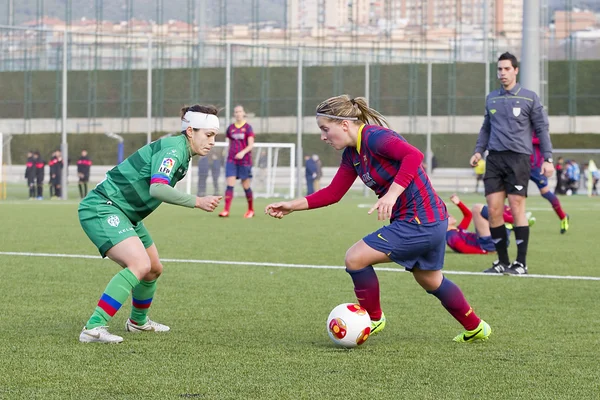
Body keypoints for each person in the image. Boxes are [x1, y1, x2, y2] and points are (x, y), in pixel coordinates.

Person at [266, 95, 491, 343]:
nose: (323, 137)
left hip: (419, 220)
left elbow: (414, 156)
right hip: (428, 220)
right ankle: (476, 327)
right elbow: (333, 193)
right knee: (430, 279)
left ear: (344, 124)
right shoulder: (352, 155)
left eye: (324, 129)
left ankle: (374, 319)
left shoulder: (375, 137)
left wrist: (391, 195)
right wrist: (292, 206)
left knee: (355, 258)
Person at [77, 104, 222, 343]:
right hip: (103, 207)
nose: (213, 141)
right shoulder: (174, 151)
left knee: (153, 268)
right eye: (208, 135)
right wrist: (197, 201)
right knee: (139, 263)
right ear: (190, 131)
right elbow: (158, 188)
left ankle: (138, 322)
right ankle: (94, 327)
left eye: (214, 135)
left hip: (127, 214)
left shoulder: (182, 152)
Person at [470, 52, 554, 275]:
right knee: (494, 210)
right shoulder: (492, 98)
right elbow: (486, 128)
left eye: (507, 69)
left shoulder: (529, 97)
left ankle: (521, 263)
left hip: (518, 159)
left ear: (515, 70)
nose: (502, 73)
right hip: (495, 159)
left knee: (517, 207)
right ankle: (502, 262)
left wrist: (548, 158)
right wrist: (478, 151)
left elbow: (542, 129)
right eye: (499, 69)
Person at [446, 194, 535, 255]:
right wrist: (484, 252)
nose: (451, 216)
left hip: (490, 241)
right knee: (477, 208)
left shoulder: (457, 230)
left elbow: (468, 216)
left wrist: (458, 203)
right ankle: (513, 221)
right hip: (487, 244)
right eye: (448, 216)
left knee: (499, 207)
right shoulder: (450, 235)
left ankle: (510, 225)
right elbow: (463, 248)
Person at [219, 105, 255, 218]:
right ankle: (226, 210)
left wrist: (242, 152)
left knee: (246, 186)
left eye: (240, 111)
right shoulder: (230, 128)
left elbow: (251, 145)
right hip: (232, 160)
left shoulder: (248, 128)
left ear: (243, 113)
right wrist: (227, 152)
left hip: (245, 161)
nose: (238, 114)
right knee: (230, 184)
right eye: (236, 112)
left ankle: (250, 209)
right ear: (234, 114)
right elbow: (230, 143)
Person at [530, 132, 569, 233]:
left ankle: (563, 216)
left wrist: (525, 139)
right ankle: (515, 221)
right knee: (514, 192)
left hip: (536, 166)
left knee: (545, 192)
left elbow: (543, 140)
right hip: (520, 165)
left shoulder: (536, 125)